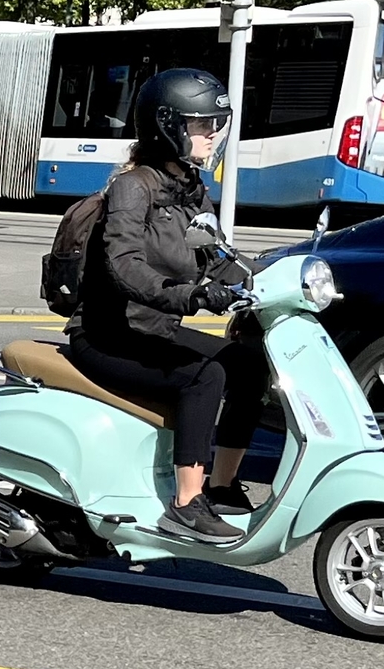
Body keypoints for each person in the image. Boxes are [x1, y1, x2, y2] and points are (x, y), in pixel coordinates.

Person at [66, 68, 263, 543]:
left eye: (217, 124)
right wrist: (189, 295)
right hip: (107, 337)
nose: (213, 134)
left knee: (251, 363)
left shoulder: (190, 188)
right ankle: (186, 504)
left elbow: (216, 256)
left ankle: (221, 487)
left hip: (154, 332)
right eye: (202, 125)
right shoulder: (132, 188)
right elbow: (124, 266)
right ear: (168, 127)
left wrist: (271, 282)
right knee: (204, 375)